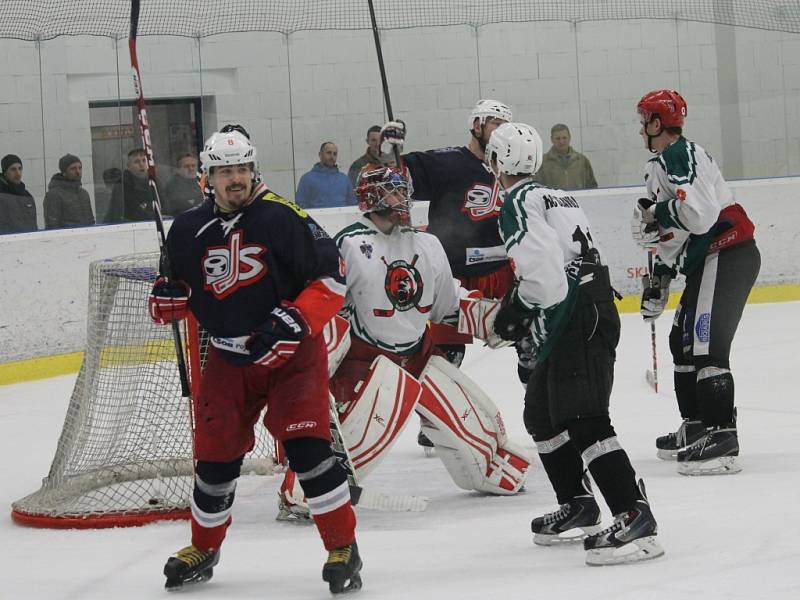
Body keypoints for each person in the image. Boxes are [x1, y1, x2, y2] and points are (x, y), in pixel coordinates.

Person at [148, 128, 361, 594]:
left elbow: (333, 276)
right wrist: (167, 301)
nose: (236, 179)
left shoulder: (283, 217)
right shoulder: (186, 231)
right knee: (215, 460)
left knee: (309, 453)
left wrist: (296, 319)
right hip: (226, 360)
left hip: (291, 357)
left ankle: (343, 546)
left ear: (254, 169)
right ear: (208, 177)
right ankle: (204, 547)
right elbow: (179, 292)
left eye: (242, 168)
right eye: (225, 172)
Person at [276, 166, 531, 519]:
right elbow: (327, 313)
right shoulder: (348, 244)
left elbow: (449, 304)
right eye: (395, 193)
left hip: (419, 358)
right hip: (369, 369)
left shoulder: (426, 243)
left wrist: (499, 320)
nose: (404, 200)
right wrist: (316, 383)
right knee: (315, 489)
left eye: (403, 192)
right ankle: (301, 488)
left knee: (493, 463)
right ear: (372, 198)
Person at [485, 122, 664, 565]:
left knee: (583, 417)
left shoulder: (516, 202)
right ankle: (579, 502)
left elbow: (544, 277)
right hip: (588, 301)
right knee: (542, 413)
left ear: (497, 162)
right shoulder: (554, 194)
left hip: (574, 310)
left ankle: (634, 515)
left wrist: (518, 312)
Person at [632, 89, 760, 475]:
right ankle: (698, 427)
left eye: (644, 121)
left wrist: (657, 213)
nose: (641, 130)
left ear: (658, 123)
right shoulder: (659, 167)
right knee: (681, 341)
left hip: (729, 251)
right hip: (708, 259)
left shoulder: (680, 154)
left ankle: (722, 435)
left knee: (706, 344)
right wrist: (660, 279)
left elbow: (701, 216)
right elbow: (677, 234)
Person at [379, 100, 519, 367]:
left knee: (530, 345)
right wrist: (389, 155)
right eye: (496, 124)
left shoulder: (512, 168)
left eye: (507, 127)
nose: (503, 132)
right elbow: (395, 180)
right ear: (477, 125)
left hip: (501, 274)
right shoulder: (447, 162)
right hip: (454, 278)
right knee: (445, 359)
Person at [533, 124, 598, 191]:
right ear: (552, 139)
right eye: (558, 139)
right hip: (553, 201)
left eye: (564, 138)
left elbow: (592, 187)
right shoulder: (542, 163)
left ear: (569, 138)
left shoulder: (582, 161)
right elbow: (537, 189)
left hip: (578, 201)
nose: (561, 142)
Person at [295, 142, 357, 208]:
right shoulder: (307, 179)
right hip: (316, 218)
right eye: (329, 153)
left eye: (335, 154)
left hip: (341, 218)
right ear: (320, 154)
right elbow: (300, 205)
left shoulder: (344, 179)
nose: (332, 156)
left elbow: (352, 204)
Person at [43, 154, 95, 229]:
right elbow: (52, 225)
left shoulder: (84, 193)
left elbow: (90, 220)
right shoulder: (54, 195)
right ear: (64, 172)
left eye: (80, 168)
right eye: (73, 168)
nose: (78, 171)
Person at [104, 148, 154, 223]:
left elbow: (164, 206)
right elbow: (136, 213)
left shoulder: (154, 182)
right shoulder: (123, 186)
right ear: (128, 167)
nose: (141, 164)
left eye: (144, 160)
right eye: (137, 162)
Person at [0, 154, 37, 234]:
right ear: (5, 172)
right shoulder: (1, 195)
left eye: (20, 169)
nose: (18, 173)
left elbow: (33, 224)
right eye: (13, 169)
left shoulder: (27, 196)